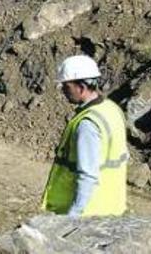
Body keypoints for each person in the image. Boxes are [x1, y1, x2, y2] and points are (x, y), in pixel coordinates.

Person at [42, 55, 128, 217]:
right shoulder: (112, 109)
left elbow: (87, 175)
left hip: (88, 214)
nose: (63, 91)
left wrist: (73, 216)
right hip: (112, 209)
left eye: (66, 87)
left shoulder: (88, 124)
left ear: (81, 87)